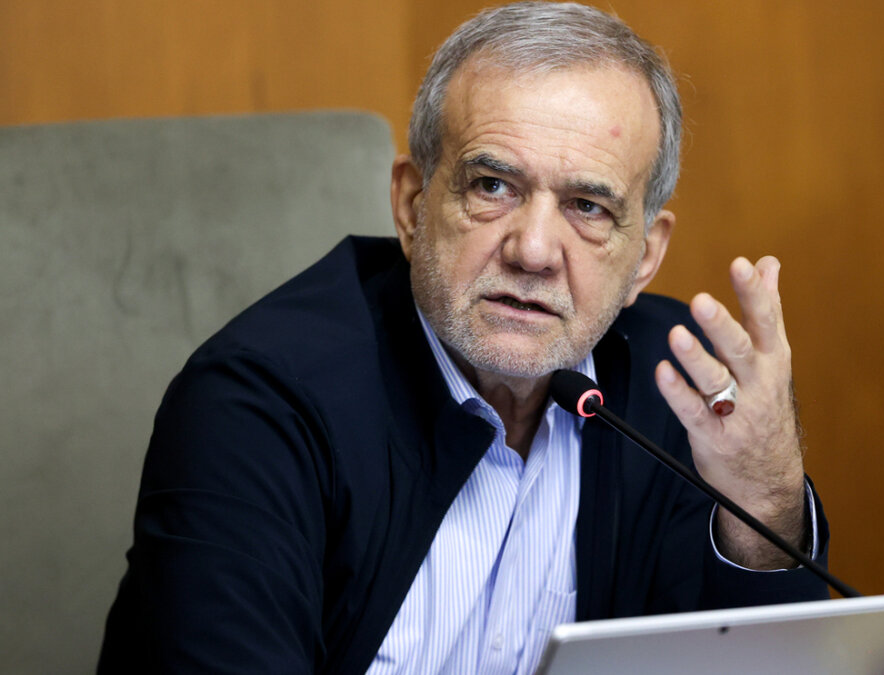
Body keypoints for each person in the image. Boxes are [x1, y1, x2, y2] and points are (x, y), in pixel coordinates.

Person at [99, 2, 830, 673]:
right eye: (493, 186)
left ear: (644, 255)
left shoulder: (683, 392)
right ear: (412, 206)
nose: (534, 250)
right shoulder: (257, 405)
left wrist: (765, 505)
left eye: (587, 206)